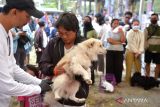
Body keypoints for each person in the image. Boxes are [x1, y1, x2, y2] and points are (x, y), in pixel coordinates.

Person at [0, 0, 52, 106]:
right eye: (27, 16)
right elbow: (5, 85)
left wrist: (38, 82)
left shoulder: (8, 33)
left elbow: (13, 67)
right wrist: (38, 88)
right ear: (14, 12)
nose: (28, 21)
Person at [39, 12, 89, 107]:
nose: (64, 37)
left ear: (75, 30)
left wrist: (71, 71)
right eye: (61, 33)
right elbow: (42, 63)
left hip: (77, 95)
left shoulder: (85, 45)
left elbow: (89, 70)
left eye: (67, 33)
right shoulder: (53, 43)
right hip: (56, 97)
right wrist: (53, 69)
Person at [105, 18, 125, 85]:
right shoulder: (108, 31)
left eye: (117, 23)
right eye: (115, 23)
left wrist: (121, 32)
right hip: (110, 50)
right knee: (109, 66)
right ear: (112, 24)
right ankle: (109, 81)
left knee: (118, 66)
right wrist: (119, 43)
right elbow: (110, 41)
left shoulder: (121, 31)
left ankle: (117, 81)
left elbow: (123, 40)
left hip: (119, 51)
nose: (116, 24)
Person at [144, 13, 160, 79]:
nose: (153, 19)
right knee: (147, 64)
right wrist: (145, 48)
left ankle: (155, 79)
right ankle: (147, 77)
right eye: (152, 18)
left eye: (155, 18)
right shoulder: (147, 29)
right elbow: (144, 40)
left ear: (158, 19)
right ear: (150, 19)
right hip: (148, 49)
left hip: (158, 49)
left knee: (158, 65)